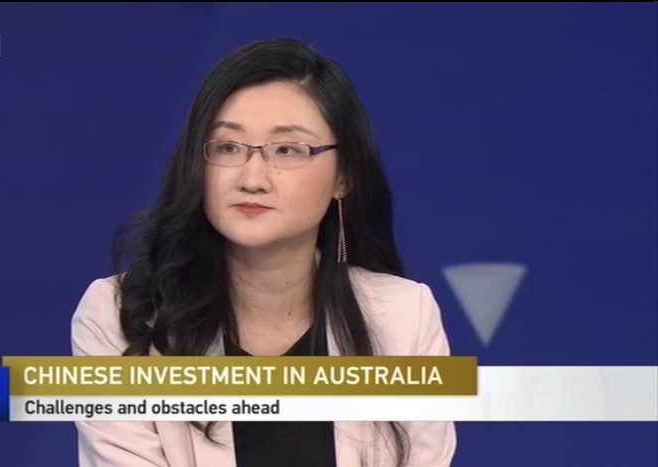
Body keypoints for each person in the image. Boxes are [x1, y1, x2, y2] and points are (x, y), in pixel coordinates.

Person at [70, 37, 456, 467]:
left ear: (344, 177)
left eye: (287, 150)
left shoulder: (404, 316)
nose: (252, 179)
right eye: (228, 148)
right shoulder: (122, 317)